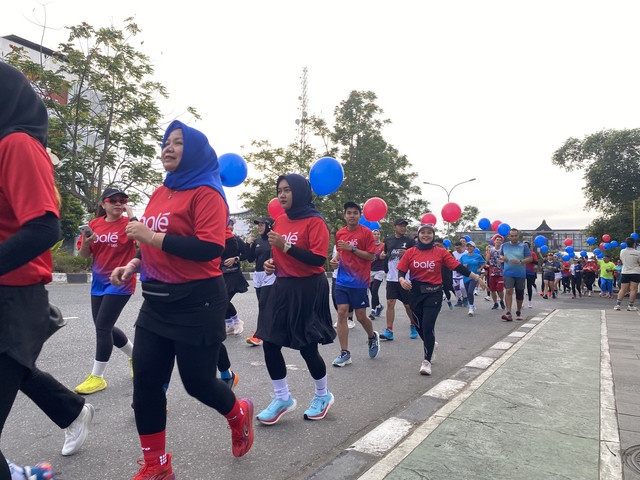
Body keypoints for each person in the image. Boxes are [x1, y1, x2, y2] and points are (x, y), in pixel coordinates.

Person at [110, 120, 253, 479]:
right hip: (156, 302)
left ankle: (238, 415)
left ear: (196, 150)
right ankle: (156, 465)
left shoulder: (208, 192)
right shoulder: (161, 192)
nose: (168, 148)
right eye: (165, 143)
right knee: (145, 384)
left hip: (197, 304)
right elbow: (155, 241)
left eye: (178, 143)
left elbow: (209, 248)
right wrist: (134, 262)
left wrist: (150, 238)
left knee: (197, 384)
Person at [0, 63, 95, 480]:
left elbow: (44, 226)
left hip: (14, 298)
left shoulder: (18, 144)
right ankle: (72, 410)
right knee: (18, 371)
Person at [254, 174, 336, 424]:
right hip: (282, 286)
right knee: (268, 341)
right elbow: (280, 254)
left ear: (299, 192)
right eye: (279, 190)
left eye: (287, 190)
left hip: (309, 287)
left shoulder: (315, 221)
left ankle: (323, 395)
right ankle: (282, 398)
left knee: (307, 346)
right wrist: (271, 263)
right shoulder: (279, 220)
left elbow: (317, 258)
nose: (282, 195)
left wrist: (285, 247)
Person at [398, 223, 486, 375]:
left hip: (434, 294)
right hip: (415, 294)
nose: (426, 235)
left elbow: (458, 267)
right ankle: (432, 344)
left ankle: (427, 361)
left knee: (427, 326)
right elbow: (401, 270)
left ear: (433, 235)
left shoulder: (440, 252)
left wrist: (477, 277)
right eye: (423, 232)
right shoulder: (411, 252)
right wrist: (402, 280)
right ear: (418, 235)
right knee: (418, 326)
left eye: (429, 233)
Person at [75, 187, 136, 394]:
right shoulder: (94, 225)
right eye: (113, 200)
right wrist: (86, 243)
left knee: (102, 327)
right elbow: (84, 255)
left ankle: (97, 377)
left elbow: (146, 246)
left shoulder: (129, 225)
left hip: (121, 282)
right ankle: (136, 357)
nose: (118, 203)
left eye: (123, 200)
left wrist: (132, 215)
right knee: (104, 327)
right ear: (103, 204)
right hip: (99, 282)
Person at [329, 202, 380, 367]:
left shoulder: (366, 233)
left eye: (355, 213)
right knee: (342, 313)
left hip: (359, 282)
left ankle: (372, 337)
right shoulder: (340, 233)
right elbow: (339, 252)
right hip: (342, 280)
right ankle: (345, 353)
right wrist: (335, 260)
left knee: (360, 317)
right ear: (345, 216)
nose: (352, 216)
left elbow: (371, 257)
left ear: (360, 216)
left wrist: (352, 249)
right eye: (349, 213)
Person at [379, 219, 416, 340]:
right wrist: (381, 256)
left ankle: (413, 325)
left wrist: (407, 253)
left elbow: (416, 256)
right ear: (394, 227)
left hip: (404, 278)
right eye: (400, 226)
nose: (403, 228)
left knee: (407, 305)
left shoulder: (409, 241)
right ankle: (389, 330)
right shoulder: (389, 240)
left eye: (405, 226)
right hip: (391, 277)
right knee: (390, 303)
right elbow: (384, 253)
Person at [244, 218, 275, 346]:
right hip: (258, 276)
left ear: (269, 226)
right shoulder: (257, 241)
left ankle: (259, 335)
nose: (259, 227)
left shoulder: (273, 240)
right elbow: (250, 258)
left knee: (263, 304)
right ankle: (271, 329)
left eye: (262, 225)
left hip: (270, 275)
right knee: (262, 305)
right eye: (259, 225)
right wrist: (248, 244)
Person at [222, 219, 249, 335]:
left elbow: (247, 254)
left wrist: (236, 259)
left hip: (233, 274)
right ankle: (230, 324)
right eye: (229, 224)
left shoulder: (236, 239)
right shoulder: (218, 238)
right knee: (220, 300)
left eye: (232, 225)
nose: (231, 227)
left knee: (224, 299)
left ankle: (237, 321)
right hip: (221, 274)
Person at [499, 228, 532, 321]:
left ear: (518, 236)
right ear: (509, 236)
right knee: (508, 290)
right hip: (508, 272)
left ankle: (518, 310)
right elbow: (501, 255)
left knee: (519, 293)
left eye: (515, 236)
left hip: (520, 273)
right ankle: (508, 312)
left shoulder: (523, 246)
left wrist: (520, 261)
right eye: (512, 236)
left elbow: (530, 258)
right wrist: (503, 258)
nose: (514, 238)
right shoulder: (504, 245)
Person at [459, 241, 485, 316]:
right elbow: (459, 266)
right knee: (468, 293)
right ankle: (472, 306)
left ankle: (470, 307)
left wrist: (480, 268)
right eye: (468, 246)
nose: (469, 248)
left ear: (474, 248)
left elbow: (483, 263)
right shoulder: (463, 257)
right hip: (466, 276)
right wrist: (464, 266)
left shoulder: (477, 256)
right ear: (466, 248)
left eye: (471, 246)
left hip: (475, 276)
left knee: (470, 291)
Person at [614, 237, 640, 311]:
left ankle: (618, 305)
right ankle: (630, 305)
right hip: (635, 272)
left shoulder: (622, 251)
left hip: (625, 271)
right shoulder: (638, 253)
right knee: (633, 289)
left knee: (623, 289)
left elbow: (622, 260)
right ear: (634, 244)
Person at [369, 229, 386, 319]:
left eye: (378, 234)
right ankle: (379, 306)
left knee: (375, 290)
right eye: (374, 234)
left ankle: (373, 310)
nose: (376, 235)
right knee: (372, 291)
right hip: (370, 270)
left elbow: (383, 256)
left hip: (379, 270)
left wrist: (379, 257)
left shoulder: (383, 245)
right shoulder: (368, 245)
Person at [486, 235, 506, 310]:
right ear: (494, 241)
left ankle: (501, 300)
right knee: (492, 290)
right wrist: (488, 252)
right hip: (492, 273)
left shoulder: (503, 250)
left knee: (500, 289)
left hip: (501, 273)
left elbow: (506, 259)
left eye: (500, 240)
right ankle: (495, 303)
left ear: (501, 242)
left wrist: (502, 260)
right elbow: (487, 260)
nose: (498, 241)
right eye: (497, 240)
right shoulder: (491, 250)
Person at [451, 241, 468, 307]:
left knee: (462, 287)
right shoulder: (453, 253)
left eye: (459, 248)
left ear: (462, 246)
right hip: (455, 274)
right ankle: (459, 300)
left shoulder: (466, 253)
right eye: (456, 248)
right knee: (456, 288)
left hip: (463, 274)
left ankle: (465, 298)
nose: (457, 249)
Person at [523, 241, 538, 307]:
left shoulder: (532, 253)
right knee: (521, 287)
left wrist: (531, 261)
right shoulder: (520, 253)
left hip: (530, 271)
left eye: (527, 245)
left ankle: (529, 301)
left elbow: (536, 262)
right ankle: (521, 301)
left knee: (529, 286)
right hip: (521, 271)